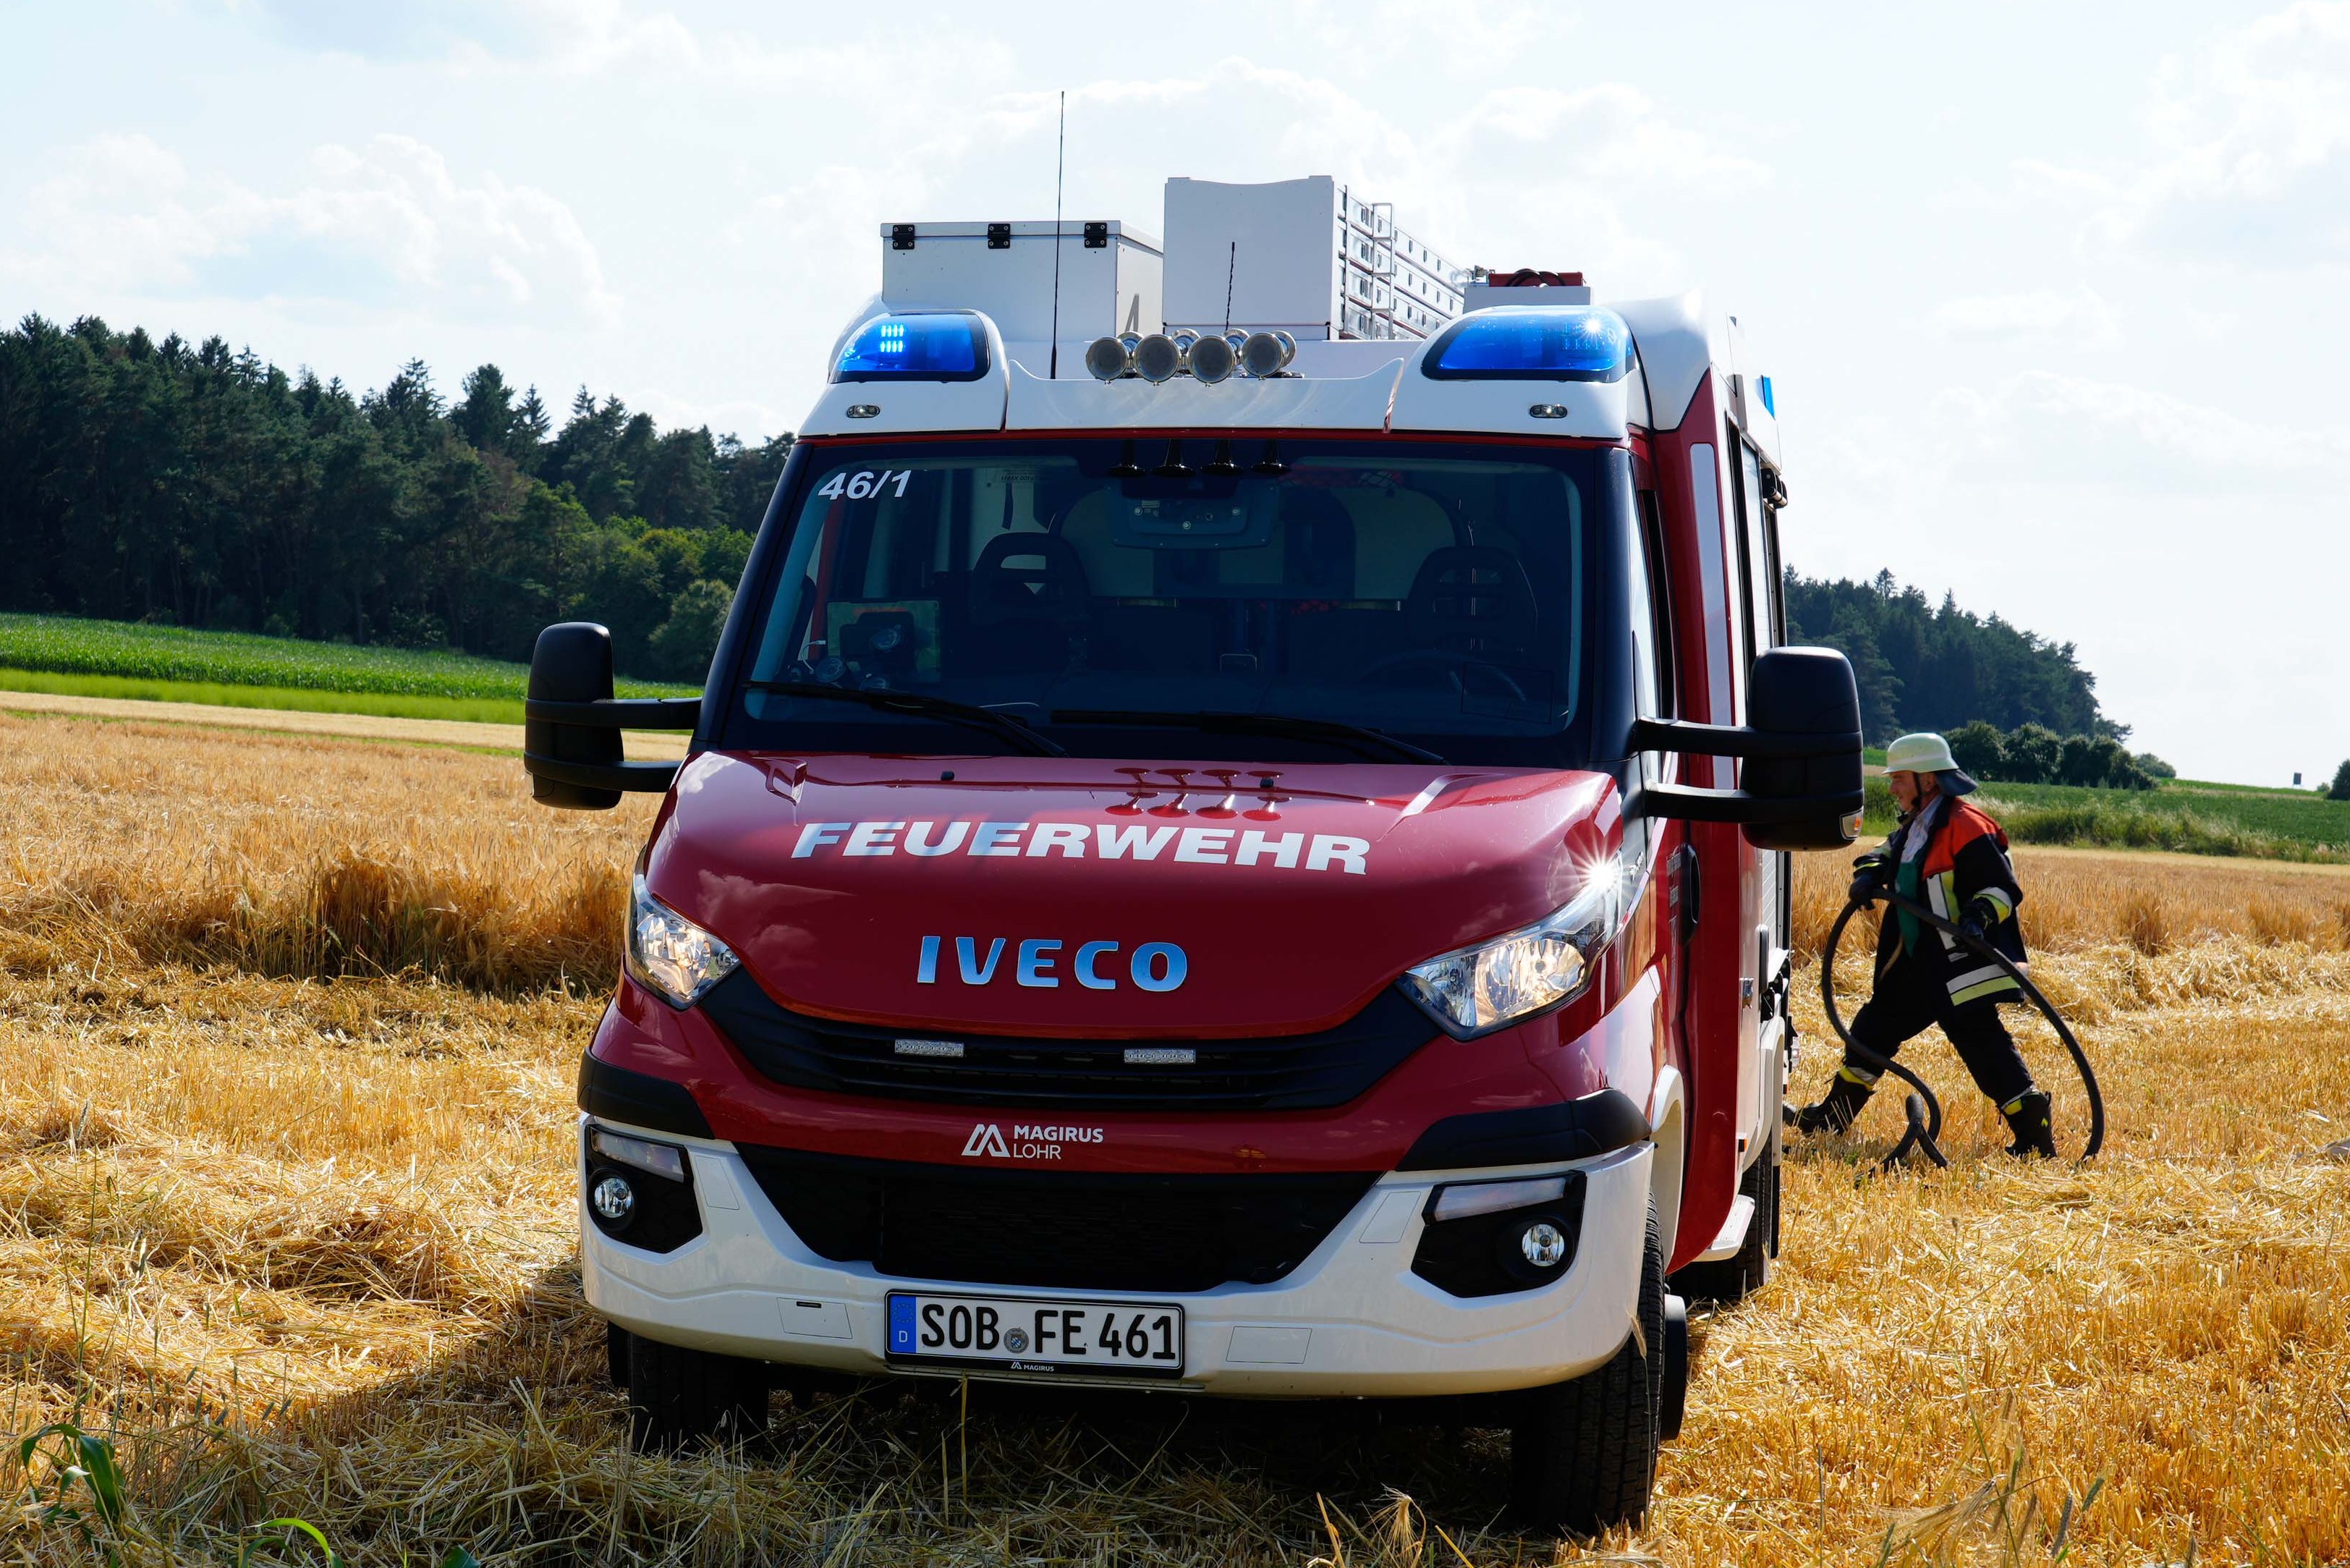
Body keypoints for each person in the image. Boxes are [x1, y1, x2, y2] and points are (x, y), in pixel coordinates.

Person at [1791, 730, 2056, 1158]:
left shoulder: (1967, 826)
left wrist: (1979, 914)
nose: (1892, 788)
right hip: (1917, 965)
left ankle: (2034, 1131)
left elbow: (2003, 889)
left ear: (1928, 780)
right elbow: (1885, 852)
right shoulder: (1917, 824)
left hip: (1960, 965)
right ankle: (1833, 1117)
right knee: (1872, 1030)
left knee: (1984, 1048)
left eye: (1899, 778)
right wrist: (1869, 874)